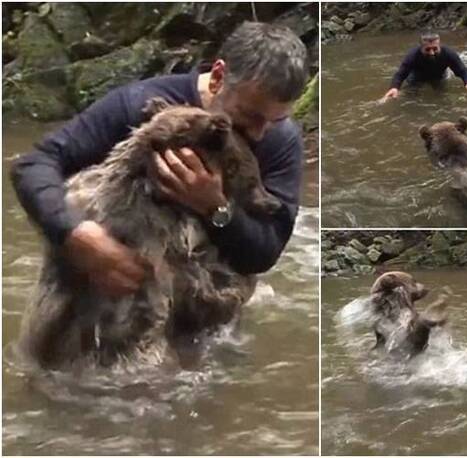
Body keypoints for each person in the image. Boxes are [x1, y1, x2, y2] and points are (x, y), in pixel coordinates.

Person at [11, 21, 309, 298]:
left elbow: (264, 253)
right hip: (112, 271)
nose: (259, 134)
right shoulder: (137, 103)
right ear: (218, 76)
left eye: (276, 120)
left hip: (204, 294)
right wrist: (73, 234)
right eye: (250, 116)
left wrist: (214, 208)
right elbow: (35, 164)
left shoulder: (281, 141)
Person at [381, 31, 467, 102]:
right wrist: (394, 87)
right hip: (417, 76)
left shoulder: (448, 53)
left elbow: (462, 70)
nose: (432, 53)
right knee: (412, 98)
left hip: (440, 75)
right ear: (421, 47)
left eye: (435, 49)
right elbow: (400, 74)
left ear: (439, 45)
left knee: (441, 96)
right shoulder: (412, 55)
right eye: (428, 49)